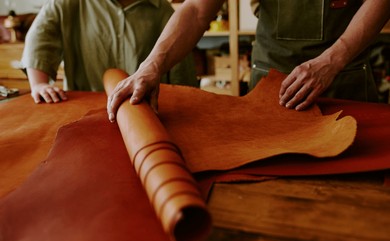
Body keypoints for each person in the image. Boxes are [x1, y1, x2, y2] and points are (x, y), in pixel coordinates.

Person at [107, 0, 390, 122]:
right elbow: (195, 10)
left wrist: (334, 58)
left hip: (345, 78)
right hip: (272, 86)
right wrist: (151, 65)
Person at [22, 0, 198, 104]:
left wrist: (182, 100)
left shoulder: (162, 10)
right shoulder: (67, 3)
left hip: (143, 109)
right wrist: (39, 84)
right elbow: (40, 38)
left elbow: (181, 71)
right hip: (85, 106)